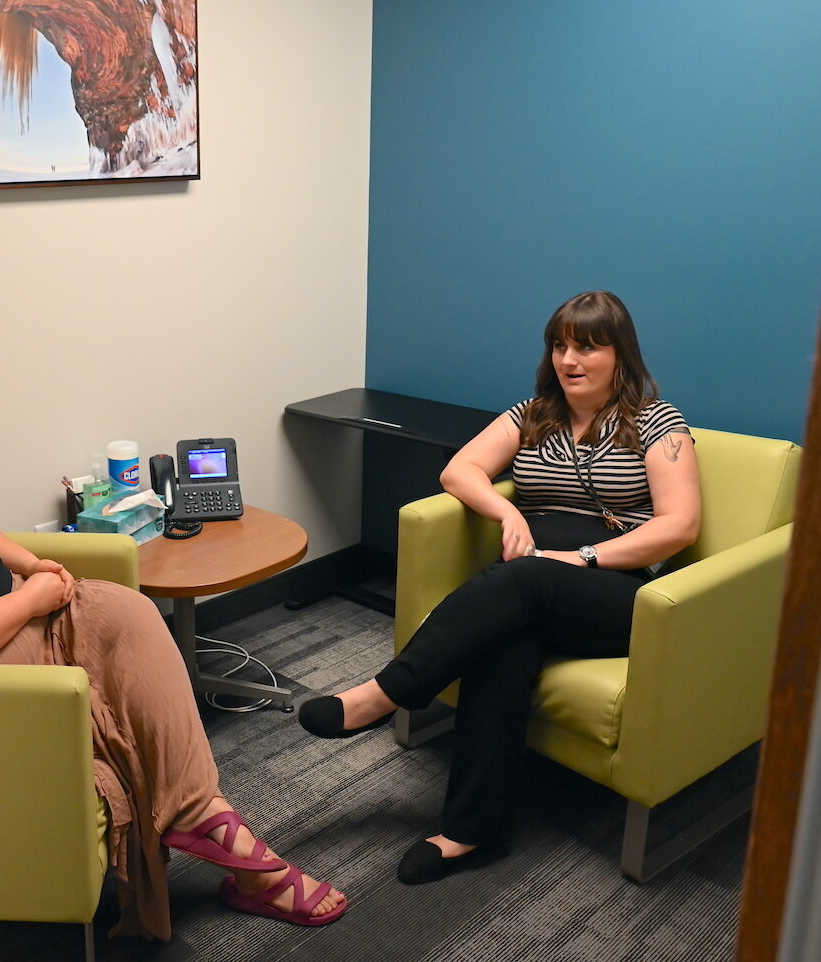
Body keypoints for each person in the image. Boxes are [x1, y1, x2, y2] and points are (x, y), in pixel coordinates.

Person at [0, 329, 346, 939]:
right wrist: (30, 599)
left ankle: (199, 813)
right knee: (109, 697)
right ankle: (218, 834)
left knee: (124, 611)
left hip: (16, 617)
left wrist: (27, 563)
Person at [297, 291, 701, 884]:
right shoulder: (535, 414)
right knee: (506, 641)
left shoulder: (657, 423)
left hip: (622, 594)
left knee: (530, 578)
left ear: (620, 355)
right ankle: (471, 830)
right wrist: (507, 514)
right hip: (535, 584)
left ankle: (385, 694)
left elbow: (679, 525)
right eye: (561, 345)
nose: (570, 359)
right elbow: (458, 469)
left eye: (588, 346)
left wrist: (583, 557)